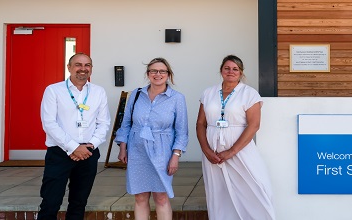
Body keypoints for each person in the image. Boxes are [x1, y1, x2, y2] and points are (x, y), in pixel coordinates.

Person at [196, 55, 276, 220]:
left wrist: (231, 151)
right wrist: (206, 150)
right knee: (218, 191)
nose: (230, 72)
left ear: (240, 72)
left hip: (240, 149)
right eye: (227, 68)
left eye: (235, 69)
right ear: (221, 71)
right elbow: (200, 123)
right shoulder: (209, 92)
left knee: (253, 186)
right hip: (212, 150)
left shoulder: (249, 94)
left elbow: (254, 125)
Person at [38, 53, 111, 220]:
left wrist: (89, 146)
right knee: (51, 201)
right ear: (69, 67)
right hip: (60, 153)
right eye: (78, 65)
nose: (83, 69)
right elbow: (49, 123)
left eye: (87, 65)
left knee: (79, 202)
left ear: (91, 69)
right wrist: (73, 147)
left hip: (88, 152)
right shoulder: (53, 90)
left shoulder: (98, 92)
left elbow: (103, 123)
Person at [115, 57, 188, 220]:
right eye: (153, 71)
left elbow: (182, 131)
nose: (158, 74)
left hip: (163, 152)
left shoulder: (177, 98)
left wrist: (175, 156)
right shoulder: (136, 95)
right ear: (148, 74)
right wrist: (122, 148)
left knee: (161, 197)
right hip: (137, 151)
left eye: (162, 71)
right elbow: (126, 123)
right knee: (140, 197)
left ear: (168, 74)